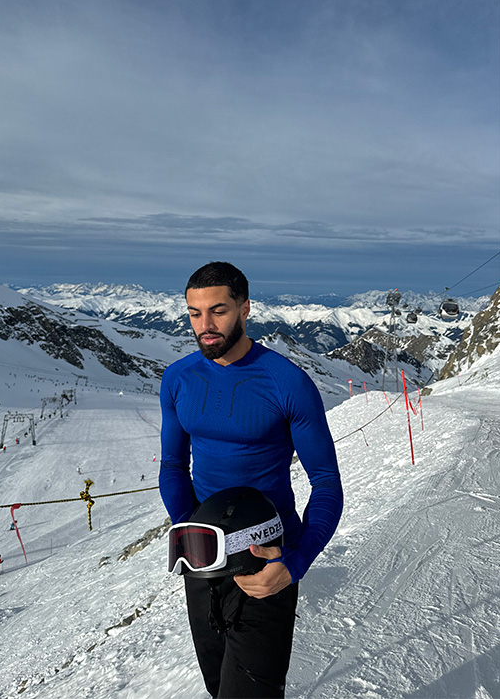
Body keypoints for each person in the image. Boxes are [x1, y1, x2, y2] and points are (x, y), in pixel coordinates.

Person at [159, 262, 344, 699]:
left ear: (245, 309)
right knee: (217, 684)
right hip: (203, 557)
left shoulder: (288, 383)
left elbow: (327, 483)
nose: (204, 326)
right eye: (194, 313)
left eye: (218, 311)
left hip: (267, 559)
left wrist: (295, 563)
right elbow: (172, 466)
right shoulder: (178, 379)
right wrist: (189, 531)